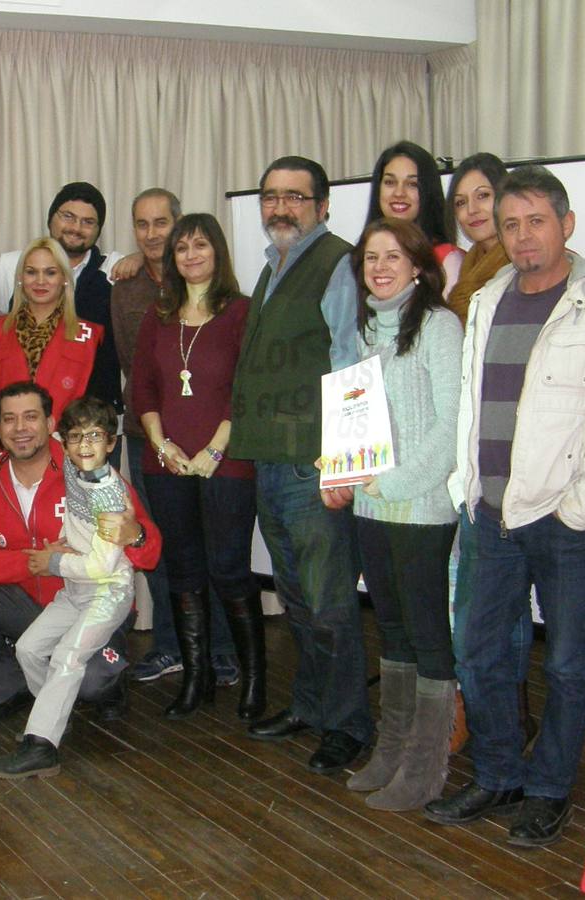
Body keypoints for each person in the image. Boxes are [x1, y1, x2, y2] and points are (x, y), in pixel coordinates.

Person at [426, 166, 585, 847]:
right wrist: (466, 489)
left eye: (535, 221)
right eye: (509, 224)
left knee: (564, 662)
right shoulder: (490, 296)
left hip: (562, 521)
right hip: (490, 514)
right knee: (480, 654)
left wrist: (582, 509)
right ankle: (499, 772)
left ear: (566, 225)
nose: (522, 236)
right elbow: (474, 407)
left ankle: (550, 786)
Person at [228, 156, 371, 776]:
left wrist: (343, 463)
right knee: (297, 599)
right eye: (270, 197)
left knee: (330, 602)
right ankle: (312, 707)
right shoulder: (273, 266)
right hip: (272, 460)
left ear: (322, 205)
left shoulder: (338, 261)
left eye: (294, 197)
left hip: (314, 467)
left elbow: (350, 366)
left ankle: (347, 726)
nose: (280, 207)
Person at [0, 382, 161, 728]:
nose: (20, 428)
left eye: (30, 417)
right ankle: (12, 689)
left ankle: (110, 684)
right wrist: (35, 562)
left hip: (90, 606)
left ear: (51, 424)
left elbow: (150, 553)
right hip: (29, 610)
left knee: (91, 682)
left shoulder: (87, 472)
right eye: (9, 420)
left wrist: (136, 535)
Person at [338, 219, 462, 811]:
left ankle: (425, 765)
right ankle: (391, 749)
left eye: (393, 257)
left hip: (420, 507)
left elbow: (450, 427)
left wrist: (392, 483)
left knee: (426, 633)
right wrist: (340, 474)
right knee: (389, 629)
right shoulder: (363, 330)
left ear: (418, 265)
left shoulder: (440, 326)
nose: (380, 267)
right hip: (370, 506)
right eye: (370, 258)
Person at [133, 213, 263, 721]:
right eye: (181, 247)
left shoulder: (241, 312)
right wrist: (162, 444)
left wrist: (214, 448)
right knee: (183, 570)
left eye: (200, 245)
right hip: (164, 461)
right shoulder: (157, 316)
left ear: (218, 252)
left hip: (225, 463)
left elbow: (248, 388)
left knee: (229, 567)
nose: (190, 255)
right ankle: (196, 678)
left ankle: (252, 681)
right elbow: (142, 387)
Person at [112, 189, 238, 688]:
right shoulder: (124, 287)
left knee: (217, 552)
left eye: (162, 223)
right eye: (141, 224)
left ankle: (223, 651)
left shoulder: (231, 300)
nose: (152, 234)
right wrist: (161, 438)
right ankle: (173, 648)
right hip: (151, 439)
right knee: (165, 549)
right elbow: (134, 370)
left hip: (216, 446)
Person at [0, 396, 144, 778]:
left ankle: (41, 745)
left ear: (111, 442)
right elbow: (74, 525)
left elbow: (101, 564)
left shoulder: (108, 495)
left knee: (67, 657)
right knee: (28, 648)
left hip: (107, 592)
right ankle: (55, 715)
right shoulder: (75, 472)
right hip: (75, 590)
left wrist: (52, 561)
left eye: (95, 436)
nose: (85, 445)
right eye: (75, 437)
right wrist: (59, 543)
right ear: (63, 440)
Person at [443, 152, 537, 752]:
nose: (474, 211)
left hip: (510, 457)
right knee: (474, 596)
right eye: (462, 202)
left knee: (502, 602)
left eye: (484, 198)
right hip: (467, 453)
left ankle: (511, 717)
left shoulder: (518, 271)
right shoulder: (470, 267)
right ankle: (487, 715)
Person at [0, 182, 125, 417]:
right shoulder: (10, 266)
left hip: (87, 430)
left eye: (88, 222)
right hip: (14, 435)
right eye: (68, 216)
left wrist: (140, 258)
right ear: (51, 219)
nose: (76, 227)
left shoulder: (114, 271)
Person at [0, 237, 102, 451]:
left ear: (64, 278)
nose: (40, 281)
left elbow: (93, 405)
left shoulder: (89, 335)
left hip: (69, 453)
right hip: (7, 450)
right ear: (20, 279)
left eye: (50, 272)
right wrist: (16, 445)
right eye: (31, 272)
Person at [363, 141, 464, 296]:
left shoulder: (447, 260)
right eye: (390, 182)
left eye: (412, 184)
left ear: (428, 191)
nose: (399, 193)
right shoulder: (362, 257)